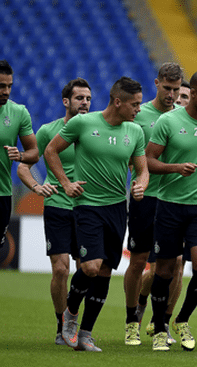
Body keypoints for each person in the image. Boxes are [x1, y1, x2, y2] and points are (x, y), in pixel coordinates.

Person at [45, 76, 149, 352]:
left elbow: (142, 168)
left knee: (104, 272)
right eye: (134, 104)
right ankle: (70, 313)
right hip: (87, 205)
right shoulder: (83, 123)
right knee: (90, 266)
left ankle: (86, 334)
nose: (138, 109)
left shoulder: (135, 132)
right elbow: (50, 150)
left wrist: (140, 185)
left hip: (117, 208)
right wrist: (65, 184)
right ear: (118, 102)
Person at [146, 70, 197, 352]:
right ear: (192, 94)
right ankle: (159, 328)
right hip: (169, 205)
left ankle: (182, 320)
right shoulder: (168, 121)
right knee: (165, 270)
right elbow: (148, 159)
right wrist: (175, 168)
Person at [16, 78, 91, 345]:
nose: (84, 102)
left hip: (87, 209)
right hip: (58, 206)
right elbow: (24, 165)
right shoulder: (48, 131)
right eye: (79, 98)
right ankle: (62, 326)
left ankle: (74, 321)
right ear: (66, 101)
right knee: (61, 270)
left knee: (87, 271)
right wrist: (37, 186)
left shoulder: (97, 130)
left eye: (88, 99)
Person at [123, 62, 184, 346]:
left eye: (176, 89)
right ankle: (131, 320)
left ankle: (162, 322)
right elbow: (127, 152)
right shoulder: (139, 115)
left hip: (175, 201)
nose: (172, 94)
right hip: (144, 197)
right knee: (138, 262)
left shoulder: (184, 118)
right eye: (168, 88)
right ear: (157, 83)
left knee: (176, 265)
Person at [0, 60, 39, 248]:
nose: (6, 91)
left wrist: (21, 156)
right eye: (1, 86)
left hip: (2, 194)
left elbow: (34, 152)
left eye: (9, 86)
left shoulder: (18, 112)